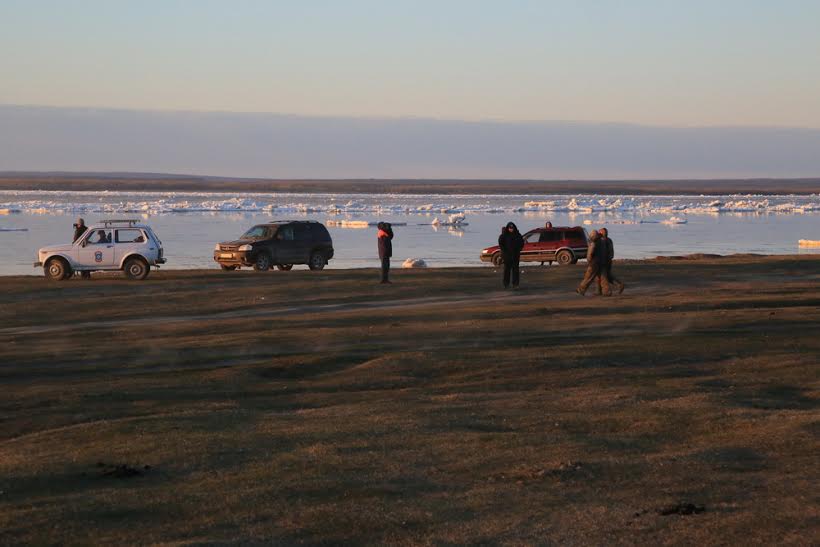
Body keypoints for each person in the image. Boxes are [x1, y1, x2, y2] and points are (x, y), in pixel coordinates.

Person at [576, 230, 607, 296]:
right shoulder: (602, 242)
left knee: (588, 277)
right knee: (602, 277)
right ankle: (606, 291)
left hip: (594, 263)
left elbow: (589, 254)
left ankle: (581, 290)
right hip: (600, 262)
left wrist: (589, 261)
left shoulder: (593, 243)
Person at [598, 228, 624, 295]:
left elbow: (603, 252)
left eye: (600, 232)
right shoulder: (609, 240)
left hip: (604, 261)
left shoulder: (603, 241)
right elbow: (611, 252)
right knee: (605, 276)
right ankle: (599, 291)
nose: (599, 233)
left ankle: (615, 287)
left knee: (604, 276)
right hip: (608, 260)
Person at [498, 221, 524, 289]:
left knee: (515, 270)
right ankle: (506, 284)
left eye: (512, 228)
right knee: (507, 270)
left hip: (515, 255)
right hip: (507, 256)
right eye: (510, 228)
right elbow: (501, 243)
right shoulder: (504, 235)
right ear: (508, 228)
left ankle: (515, 284)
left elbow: (522, 243)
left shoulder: (518, 235)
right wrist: (504, 251)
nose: (511, 229)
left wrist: (518, 249)